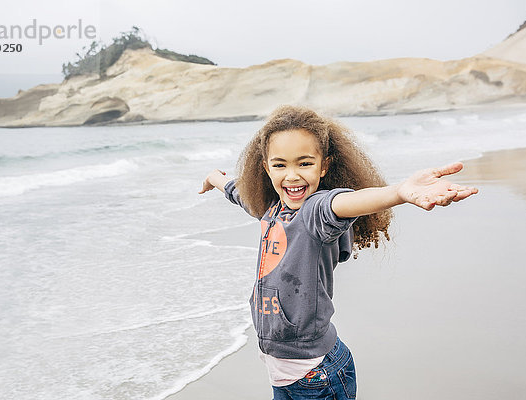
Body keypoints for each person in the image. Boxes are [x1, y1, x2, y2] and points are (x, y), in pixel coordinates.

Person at [198, 105, 478, 400]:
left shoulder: (315, 212)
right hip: (284, 372)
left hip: (316, 376)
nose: (291, 176)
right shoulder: (270, 208)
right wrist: (213, 177)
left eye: (304, 163)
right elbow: (236, 191)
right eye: (280, 165)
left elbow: (346, 202)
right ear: (266, 168)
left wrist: (398, 193)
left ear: (324, 166)